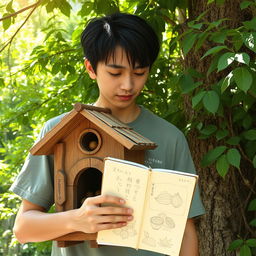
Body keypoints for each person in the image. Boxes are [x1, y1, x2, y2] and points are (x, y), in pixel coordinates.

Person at [10, 12, 205, 256]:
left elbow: (185, 231)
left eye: (139, 72)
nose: (128, 85)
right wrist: (78, 219)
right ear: (91, 68)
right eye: (115, 73)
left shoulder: (170, 138)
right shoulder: (60, 132)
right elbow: (24, 228)